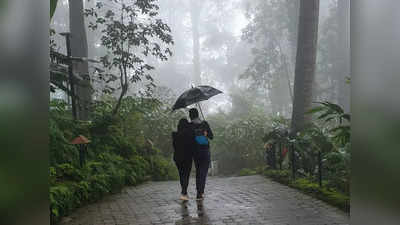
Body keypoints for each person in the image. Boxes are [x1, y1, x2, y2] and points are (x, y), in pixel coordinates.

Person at [188, 108, 213, 200]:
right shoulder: (204, 123)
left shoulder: (189, 126)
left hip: (195, 152)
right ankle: (200, 192)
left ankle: (199, 192)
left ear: (190, 116)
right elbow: (212, 136)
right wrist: (206, 134)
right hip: (205, 151)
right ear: (198, 114)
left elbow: (188, 140)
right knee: (203, 172)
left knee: (199, 172)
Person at [172, 118, 195, 201]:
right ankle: (184, 192)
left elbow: (174, 146)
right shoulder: (189, 134)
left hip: (178, 158)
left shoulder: (174, 134)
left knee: (182, 175)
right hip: (187, 157)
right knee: (186, 175)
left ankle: (184, 192)